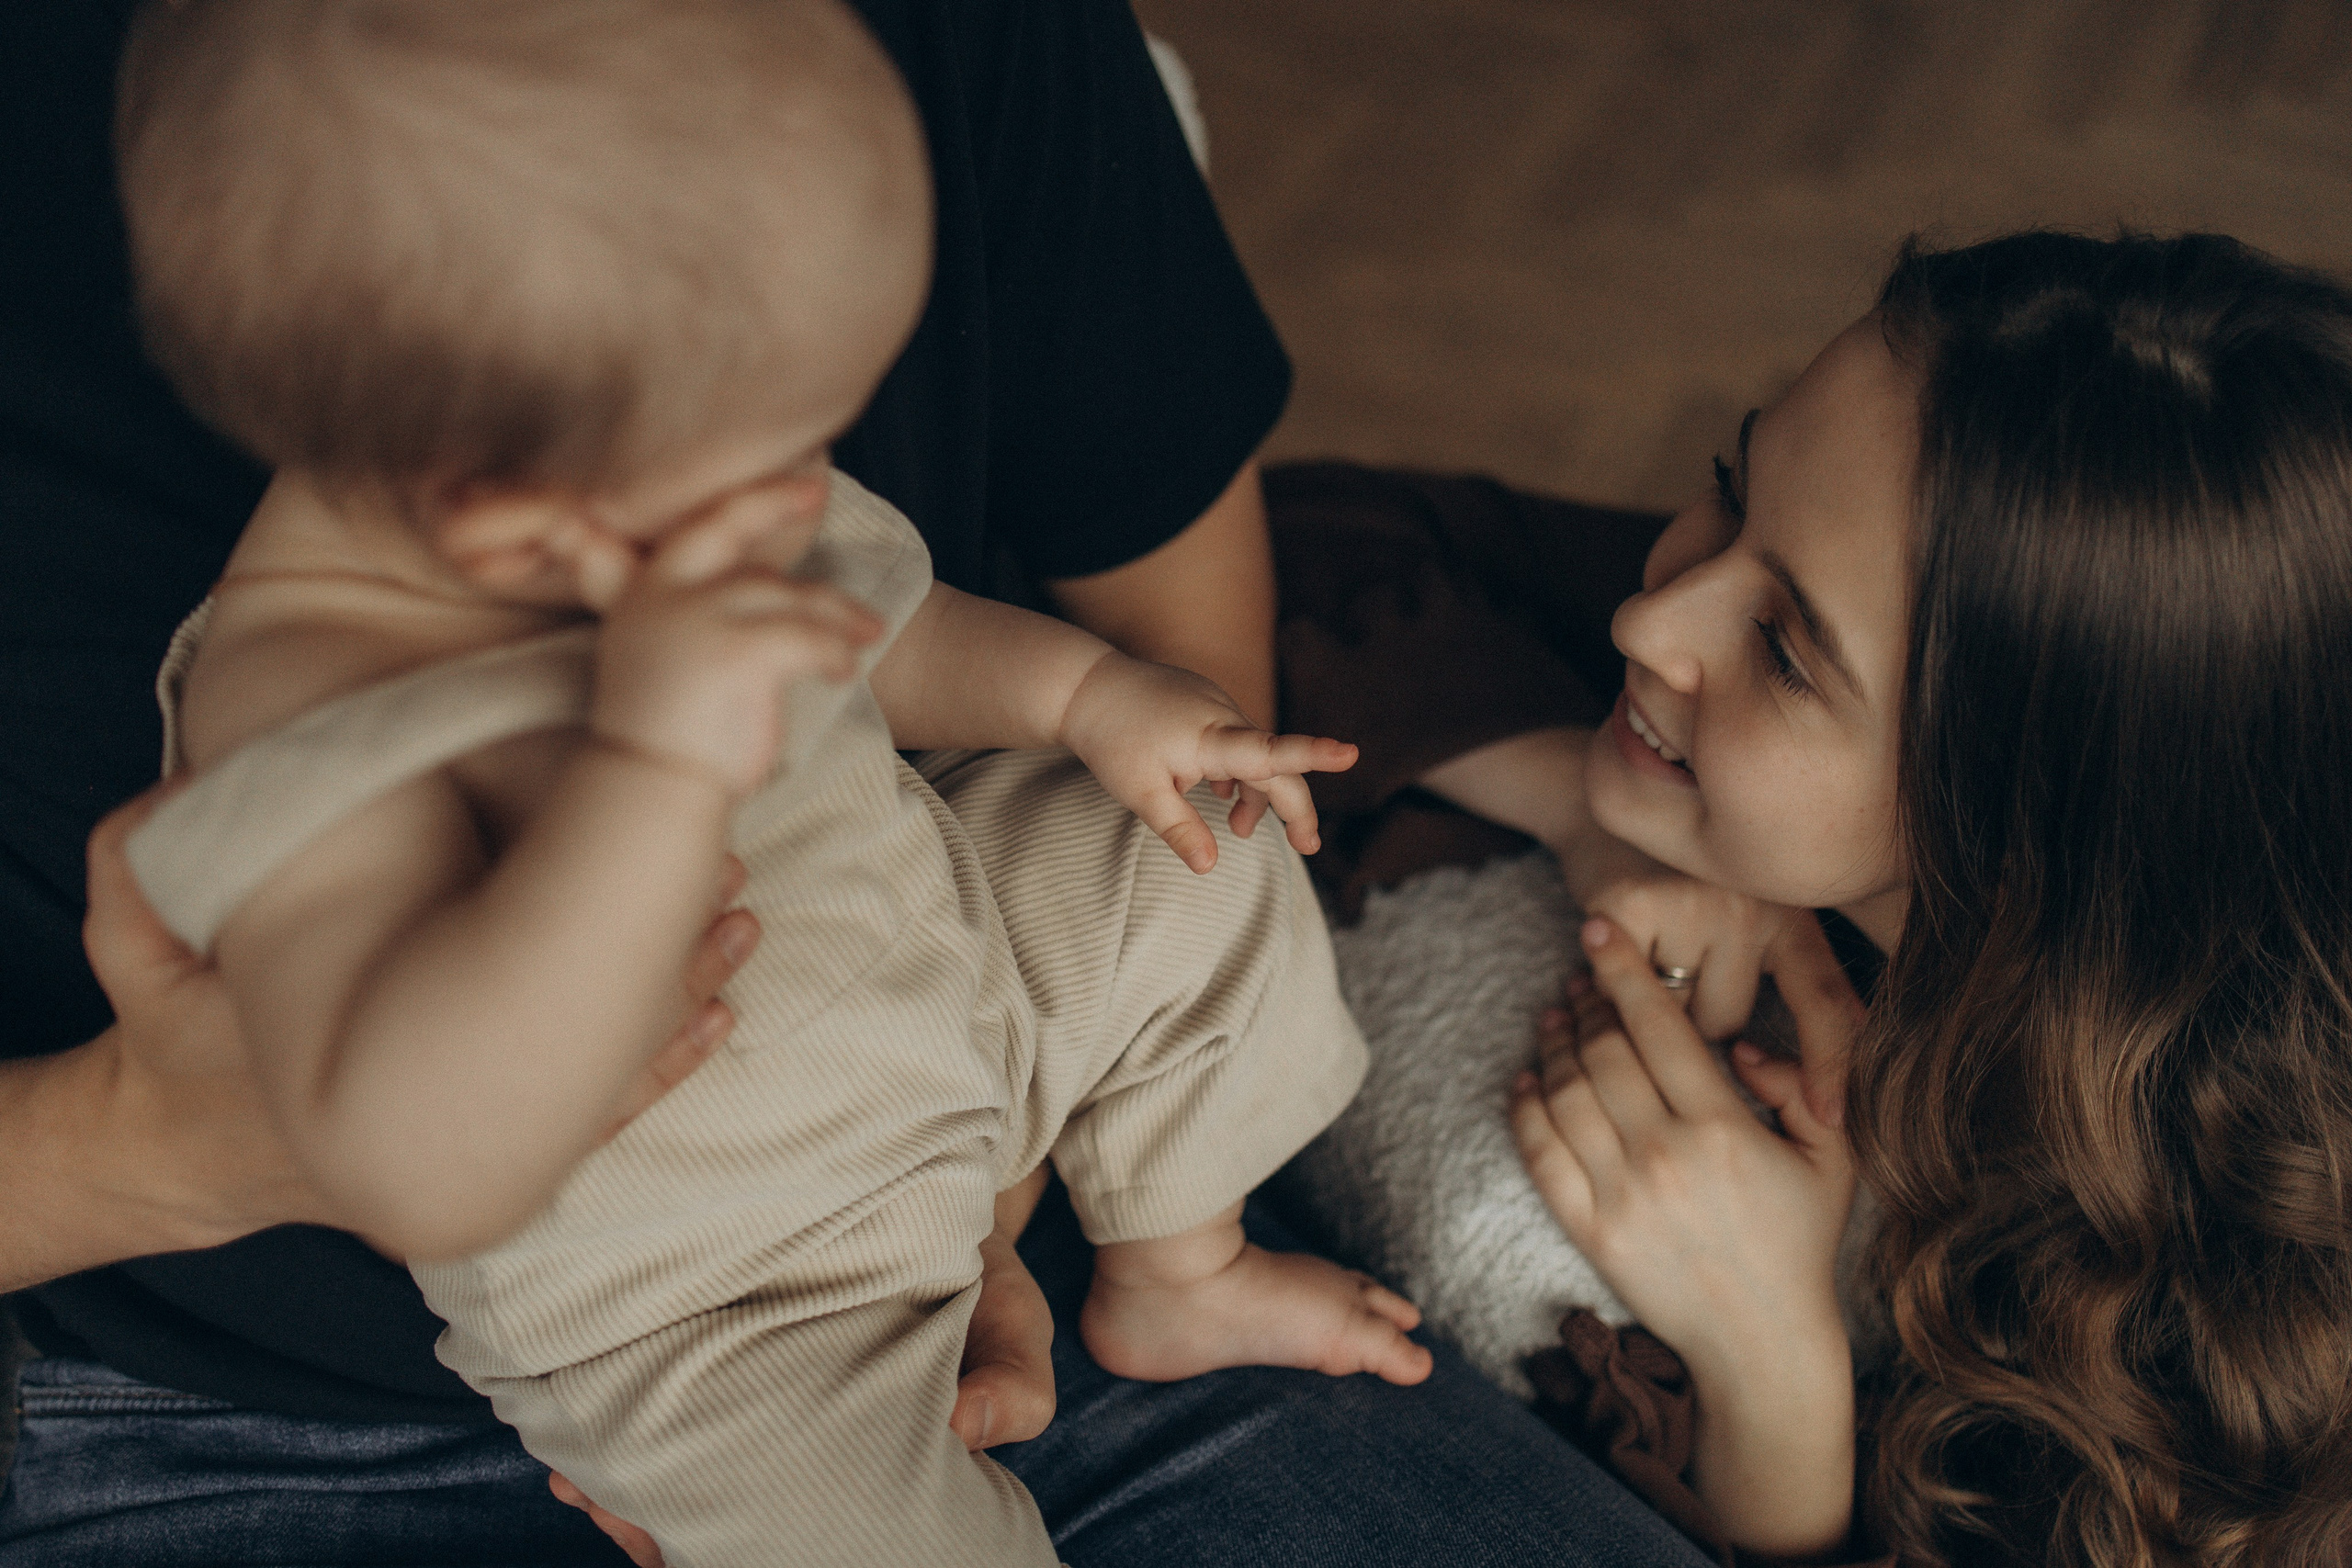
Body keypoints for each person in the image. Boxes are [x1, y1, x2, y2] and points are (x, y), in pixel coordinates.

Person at [0, 3, 1717, 1565]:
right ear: (517, 519)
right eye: (772, 462)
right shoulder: (299, 702)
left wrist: (1091, 698)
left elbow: (886, 629)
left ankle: (1173, 1270)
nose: (802, 490)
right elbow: (418, 1154)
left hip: (964, 1024)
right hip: (706, 1321)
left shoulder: (659, 467)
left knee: (1192, 855)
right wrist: (652, 768)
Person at [1292, 231, 2352, 1565]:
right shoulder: (1816, 570)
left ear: (2025, 833)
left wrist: (1772, 1376)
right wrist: (1582, 803)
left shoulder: (2234, 1336)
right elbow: (1291, 530)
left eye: (1786, 652)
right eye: (1731, 487)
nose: (1652, 621)